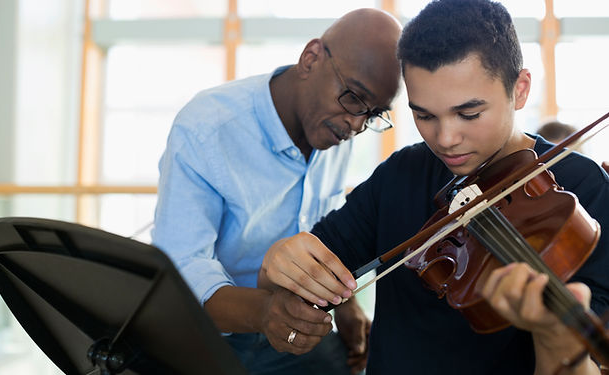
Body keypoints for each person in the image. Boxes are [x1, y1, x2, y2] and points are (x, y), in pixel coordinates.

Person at [259, 1, 609, 374]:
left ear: (520, 90)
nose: (445, 139)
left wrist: (552, 335)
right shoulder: (400, 173)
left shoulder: (581, 190)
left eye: (469, 114)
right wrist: (279, 265)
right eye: (423, 115)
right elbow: (298, 276)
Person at [152, 8, 403, 375]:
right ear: (311, 58)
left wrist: (346, 308)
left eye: (373, 114)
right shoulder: (207, 127)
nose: (356, 124)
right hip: (207, 330)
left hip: (290, 323)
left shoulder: (337, 126)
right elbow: (183, 270)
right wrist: (266, 313)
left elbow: (324, 233)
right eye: (353, 98)